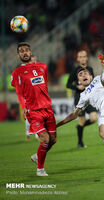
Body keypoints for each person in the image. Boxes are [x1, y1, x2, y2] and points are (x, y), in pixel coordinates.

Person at [11, 42, 57, 176]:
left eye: (27, 50)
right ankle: (40, 169)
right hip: (33, 111)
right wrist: (23, 107)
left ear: (31, 52)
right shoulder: (17, 73)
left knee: (53, 140)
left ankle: (37, 156)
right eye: (21, 51)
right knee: (45, 139)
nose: (24, 53)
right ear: (18, 54)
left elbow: (44, 84)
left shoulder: (43, 67)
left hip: (47, 109)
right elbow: (19, 93)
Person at [66, 50, 97, 148]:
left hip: (89, 98)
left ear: (86, 58)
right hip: (80, 98)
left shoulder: (90, 69)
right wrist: (77, 87)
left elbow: (94, 82)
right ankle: (80, 142)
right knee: (82, 120)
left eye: (84, 56)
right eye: (81, 57)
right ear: (78, 59)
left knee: (94, 118)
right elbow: (68, 84)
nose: (83, 58)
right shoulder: (75, 70)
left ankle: (79, 127)